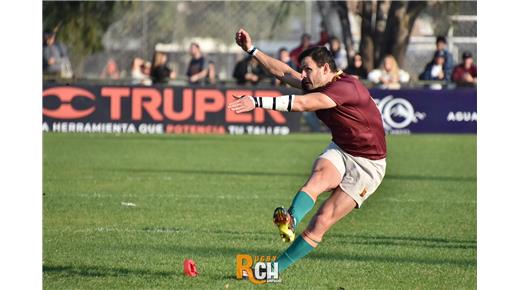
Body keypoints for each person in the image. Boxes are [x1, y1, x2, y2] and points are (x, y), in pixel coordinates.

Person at [229, 28, 386, 274]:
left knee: (322, 220)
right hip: (342, 149)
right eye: (303, 69)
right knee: (316, 179)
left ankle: (272, 271)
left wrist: (256, 101)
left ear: (326, 68)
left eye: (308, 69)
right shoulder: (318, 82)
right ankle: (290, 220)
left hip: (368, 165)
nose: (303, 75)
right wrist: (252, 50)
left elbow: (302, 104)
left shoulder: (347, 87)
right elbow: (283, 72)